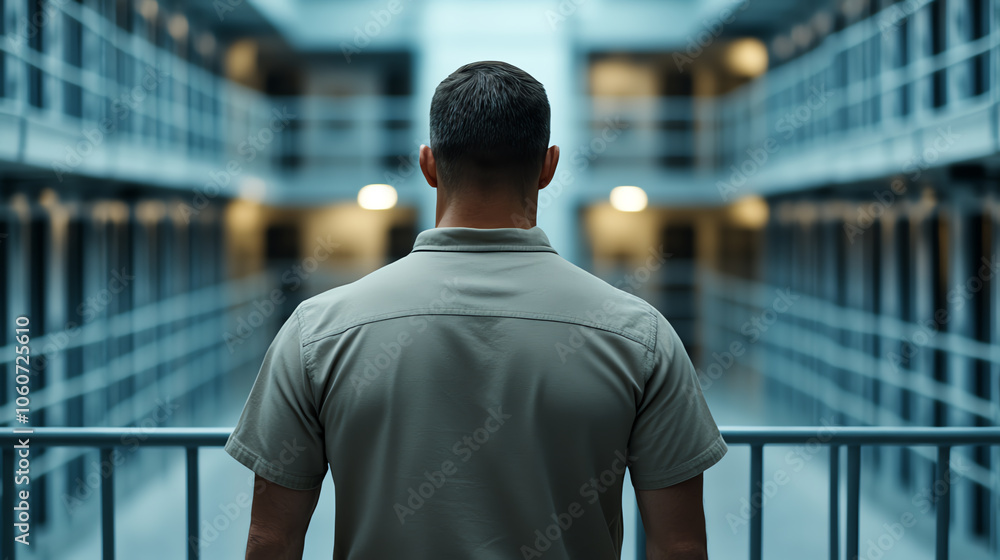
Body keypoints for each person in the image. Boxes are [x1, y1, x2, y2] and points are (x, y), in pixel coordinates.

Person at [225, 60, 727, 560]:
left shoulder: (317, 332)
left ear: (428, 165)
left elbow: (271, 541)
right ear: (549, 166)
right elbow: (679, 546)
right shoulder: (641, 336)